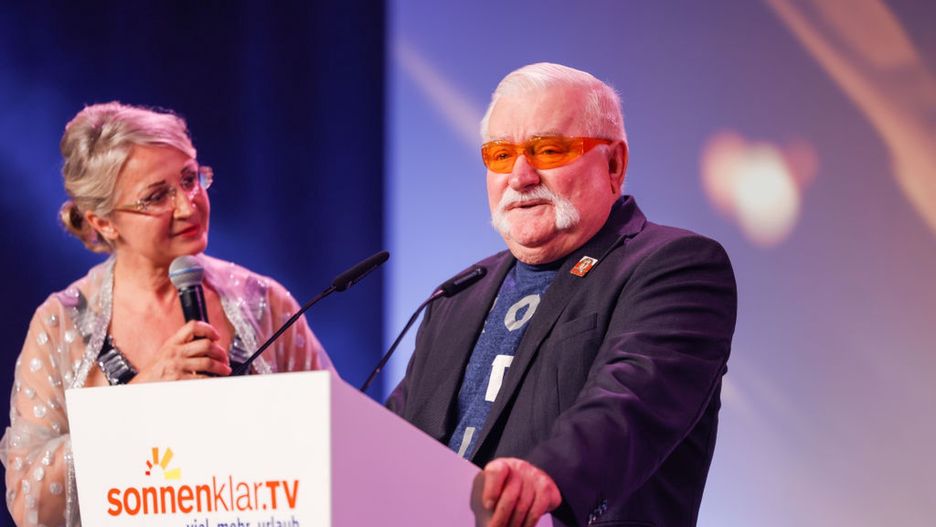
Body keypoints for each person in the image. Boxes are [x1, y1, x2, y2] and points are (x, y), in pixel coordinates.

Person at [388, 63, 737, 527]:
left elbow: (628, 404)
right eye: (500, 155)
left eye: (549, 150)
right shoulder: (459, 295)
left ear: (614, 164)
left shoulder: (674, 267)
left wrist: (547, 475)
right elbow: (392, 437)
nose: (520, 176)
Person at [0, 102, 335, 526]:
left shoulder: (264, 303)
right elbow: (31, 502)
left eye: (190, 179)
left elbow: (342, 441)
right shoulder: (60, 323)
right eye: (157, 196)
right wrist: (138, 400)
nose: (188, 206)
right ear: (103, 222)